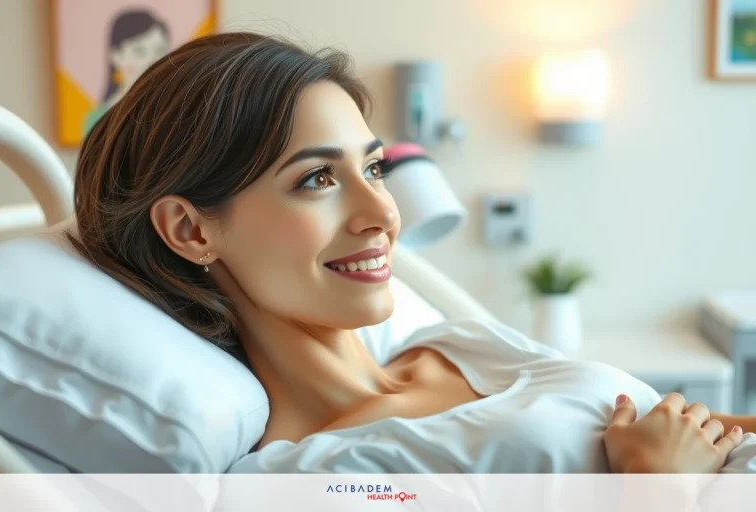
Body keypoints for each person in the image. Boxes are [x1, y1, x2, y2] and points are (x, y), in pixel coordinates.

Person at [68, 32, 755, 474]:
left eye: (372, 170)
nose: (382, 215)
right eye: (316, 180)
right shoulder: (317, 478)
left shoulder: (452, 345)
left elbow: (696, 431)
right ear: (191, 231)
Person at [82, 9, 170, 135]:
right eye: (139, 52)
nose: (152, 61)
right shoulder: (99, 119)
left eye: (159, 51)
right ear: (116, 56)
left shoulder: (177, 109)